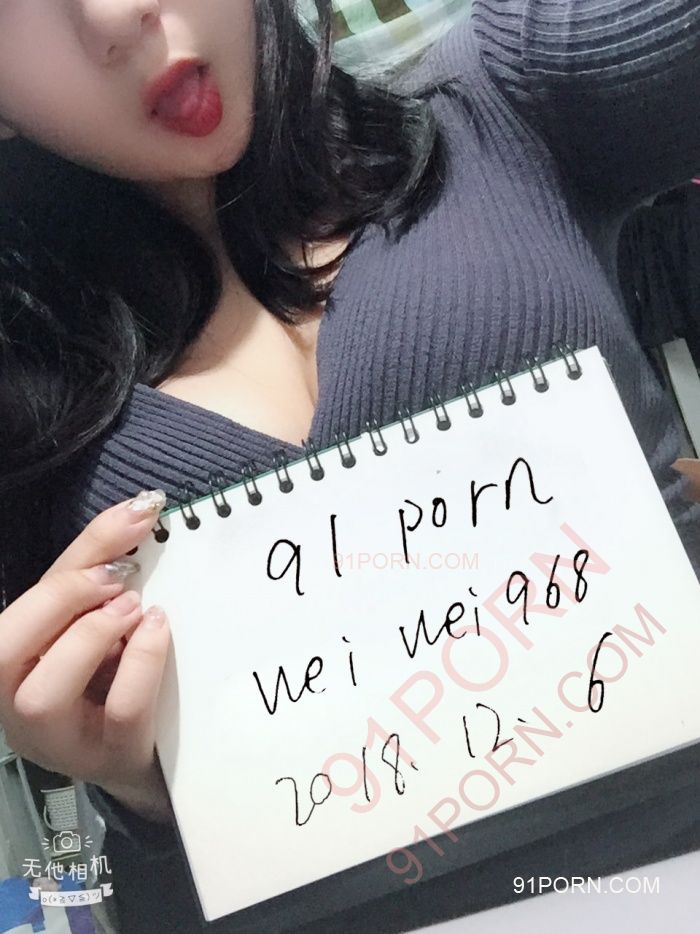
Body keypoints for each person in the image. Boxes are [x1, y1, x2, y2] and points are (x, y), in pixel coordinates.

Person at [1, 0, 700, 931]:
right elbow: (106, 889)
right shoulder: (24, 393)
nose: (115, 17)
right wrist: (141, 799)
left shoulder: (507, 91)